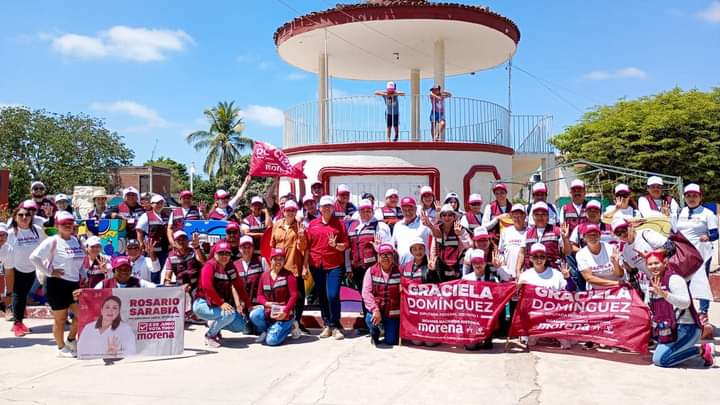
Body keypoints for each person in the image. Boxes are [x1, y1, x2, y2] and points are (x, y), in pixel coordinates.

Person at [645, 250, 714, 367]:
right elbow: (648, 306)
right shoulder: (653, 282)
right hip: (668, 329)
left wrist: (665, 294)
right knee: (658, 356)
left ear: (665, 262)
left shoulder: (674, 279)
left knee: (661, 360)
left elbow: (685, 303)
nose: (653, 267)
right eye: (650, 264)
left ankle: (702, 350)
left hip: (686, 328)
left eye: (656, 263)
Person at [29, 211, 85, 357]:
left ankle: (71, 339)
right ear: (57, 225)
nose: (67, 226)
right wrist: (49, 272)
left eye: (70, 223)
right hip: (56, 284)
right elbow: (34, 257)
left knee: (82, 315)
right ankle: (61, 348)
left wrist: (84, 275)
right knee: (60, 319)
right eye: (64, 224)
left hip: (74, 284)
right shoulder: (52, 240)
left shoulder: (76, 240)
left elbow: (81, 262)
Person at [672, 183, 717, 329]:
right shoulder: (680, 212)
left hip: (700, 253)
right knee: (682, 283)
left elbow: (716, 234)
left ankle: (703, 313)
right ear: (684, 197)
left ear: (700, 197)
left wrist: (708, 237)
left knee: (701, 283)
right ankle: (686, 313)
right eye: (688, 195)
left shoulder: (707, 214)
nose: (692, 198)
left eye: (695, 195)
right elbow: (673, 231)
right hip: (682, 253)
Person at [305, 195, 348, 339]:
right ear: (320, 208)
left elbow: (345, 245)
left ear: (333, 208)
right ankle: (327, 325)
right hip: (316, 265)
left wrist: (336, 245)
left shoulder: (339, 224)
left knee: (332, 294)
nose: (327, 209)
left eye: (329, 206)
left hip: (335, 265)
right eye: (324, 206)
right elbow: (307, 246)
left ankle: (335, 325)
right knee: (322, 295)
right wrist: (305, 266)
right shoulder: (313, 224)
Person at [193, 241, 251, 348]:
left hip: (217, 306)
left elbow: (239, 287)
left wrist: (249, 305)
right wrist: (221, 303)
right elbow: (207, 287)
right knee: (229, 314)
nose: (224, 256)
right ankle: (210, 335)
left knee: (240, 325)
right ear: (215, 254)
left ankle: (215, 326)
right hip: (202, 304)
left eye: (227, 253)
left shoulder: (230, 267)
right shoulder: (209, 265)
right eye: (221, 253)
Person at [518, 243, 574, 350]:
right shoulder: (525, 275)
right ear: (530, 259)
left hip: (555, 319)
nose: (539, 259)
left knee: (566, 345)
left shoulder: (556, 273)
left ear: (546, 258)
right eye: (535, 256)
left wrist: (568, 278)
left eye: (542, 256)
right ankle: (538, 335)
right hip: (535, 319)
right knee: (530, 344)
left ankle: (552, 335)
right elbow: (520, 302)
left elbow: (570, 291)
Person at [6, 203, 47, 335]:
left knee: (23, 296)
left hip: (32, 269)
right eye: (21, 215)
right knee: (18, 294)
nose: (24, 217)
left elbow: (46, 244)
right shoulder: (11, 233)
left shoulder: (37, 229)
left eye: (27, 215)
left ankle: (19, 322)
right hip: (16, 268)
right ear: (15, 217)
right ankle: (17, 324)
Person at [347, 199, 392, 315]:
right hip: (357, 268)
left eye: (368, 210)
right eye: (363, 211)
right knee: (364, 294)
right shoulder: (353, 226)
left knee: (376, 294)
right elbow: (349, 248)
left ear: (372, 211)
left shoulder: (379, 225)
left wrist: (379, 250)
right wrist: (348, 267)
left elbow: (387, 247)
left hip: (373, 267)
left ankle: (378, 321)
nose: (366, 213)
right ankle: (368, 323)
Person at [270, 200, 308, 335]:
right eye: (288, 210)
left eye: (293, 210)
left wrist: (302, 237)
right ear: (283, 211)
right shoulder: (277, 225)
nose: (290, 212)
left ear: (296, 212)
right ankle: (282, 322)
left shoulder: (300, 226)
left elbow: (304, 249)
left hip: (294, 266)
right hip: (279, 267)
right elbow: (272, 246)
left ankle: (296, 322)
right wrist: (271, 267)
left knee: (298, 296)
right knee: (280, 296)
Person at [250, 248, 299, 346]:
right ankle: (268, 330)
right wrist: (266, 303)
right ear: (270, 260)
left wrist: (285, 312)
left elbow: (294, 295)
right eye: (275, 259)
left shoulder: (289, 275)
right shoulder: (264, 276)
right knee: (254, 315)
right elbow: (259, 296)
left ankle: (291, 326)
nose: (278, 262)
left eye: (280, 259)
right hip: (269, 312)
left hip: (284, 313)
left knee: (271, 341)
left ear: (284, 261)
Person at [362, 243, 401, 346]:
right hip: (377, 310)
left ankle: (387, 330)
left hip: (392, 313)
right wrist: (375, 309)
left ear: (393, 257)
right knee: (370, 319)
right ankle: (375, 334)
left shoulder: (400, 271)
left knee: (391, 341)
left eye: (388, 255)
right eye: (382, 255)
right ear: (378, 257)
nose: (386, 258)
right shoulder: (371, 271)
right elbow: (366, 293)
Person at [516, 202, 570, 275]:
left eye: (543, 214)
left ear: (548, 216)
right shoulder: (527, 233)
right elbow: (521, 253)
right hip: (531, 274)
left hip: (553, 274)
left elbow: (567, 252)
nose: (540, 217)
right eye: (537, 214)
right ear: (533, 216)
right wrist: (518, 271)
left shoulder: (557, 231)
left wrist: (565, 239)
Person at [567, 200, 610, 291]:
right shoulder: (579, 228)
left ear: (600, 213)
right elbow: (571, 245)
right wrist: (586, 253)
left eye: (595, 211)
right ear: (585, 213)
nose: (592, 213)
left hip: (608, 268)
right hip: (588, 268)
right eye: (590, 211)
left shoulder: (609, 227)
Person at [462, 250, 500, 350]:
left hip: (486, 318)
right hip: (472, 319)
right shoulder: (465, 279)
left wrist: (499, 267)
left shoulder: (493, 279)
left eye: (480, 262)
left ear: (485, 263)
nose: (478, 265)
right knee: (471, 347)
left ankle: (487, 336)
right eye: (475, 262)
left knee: (487, 346)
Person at [429, 204, 471, 281]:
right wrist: (432, 261)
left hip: (457, 265)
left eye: (450, 215)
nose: (447, 217)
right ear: (441, 217)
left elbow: (469, 246)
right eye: (444, 215)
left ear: (454, 217)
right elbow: (434, 248)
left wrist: (460, 235)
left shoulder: (460, 228)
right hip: (441, 265)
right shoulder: (437, 229)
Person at [576, 224, 624, 289]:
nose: (593, 237)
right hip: (597, 290)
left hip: (616, 288)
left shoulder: (611, 249)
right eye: (589, 235)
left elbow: (620, 274)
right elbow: (589, 278)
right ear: (584, 238)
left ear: (600, 236)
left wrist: (616, 264)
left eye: (595, 234)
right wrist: (615, 283)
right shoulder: (581, 254)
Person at [136, 195, 170, 278]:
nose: (159, 205)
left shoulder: (166, 216)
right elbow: (139, 231)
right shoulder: (146, 216)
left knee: (160, 271)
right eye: (157, 203)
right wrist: (140, 244)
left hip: (164, 250)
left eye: (161, 203)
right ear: (151, 204)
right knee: (152, 272)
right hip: (150, 250)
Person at [393, 196, 433, 265]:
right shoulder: (398, 225)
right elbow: (394, 246)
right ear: (401, 210)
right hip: (403, 268)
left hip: (422, 266)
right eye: (405, 210)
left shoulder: (424, 222)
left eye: (410, 209)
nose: (408, 213)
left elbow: (438, 236)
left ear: (416, 209)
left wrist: (430, 225)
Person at [234, 235, 268, 313]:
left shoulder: (262, 261)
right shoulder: (235, 265)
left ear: (253, 248)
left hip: (258, 305)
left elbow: (269, 281)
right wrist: (238, 304)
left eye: (249, 247)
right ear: (239, 249)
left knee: (256, 317)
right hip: (242, 306)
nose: (246, 249)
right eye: (244, 247)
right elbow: (234, 287)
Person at [497, 204, 528, 282]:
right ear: (511, 217)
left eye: (519, 216)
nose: (517, 219)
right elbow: (500, 252)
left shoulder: (530, 232)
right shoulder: (505, 231)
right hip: (508, 277)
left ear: (524, 216)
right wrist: (504, 267)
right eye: (515, 216)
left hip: (524, 276)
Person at [0, 224, 14, 320]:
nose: (1, 237)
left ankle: (8, 308)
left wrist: (9, 295)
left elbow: (9, 274)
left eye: (3, 234)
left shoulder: (8, 249)